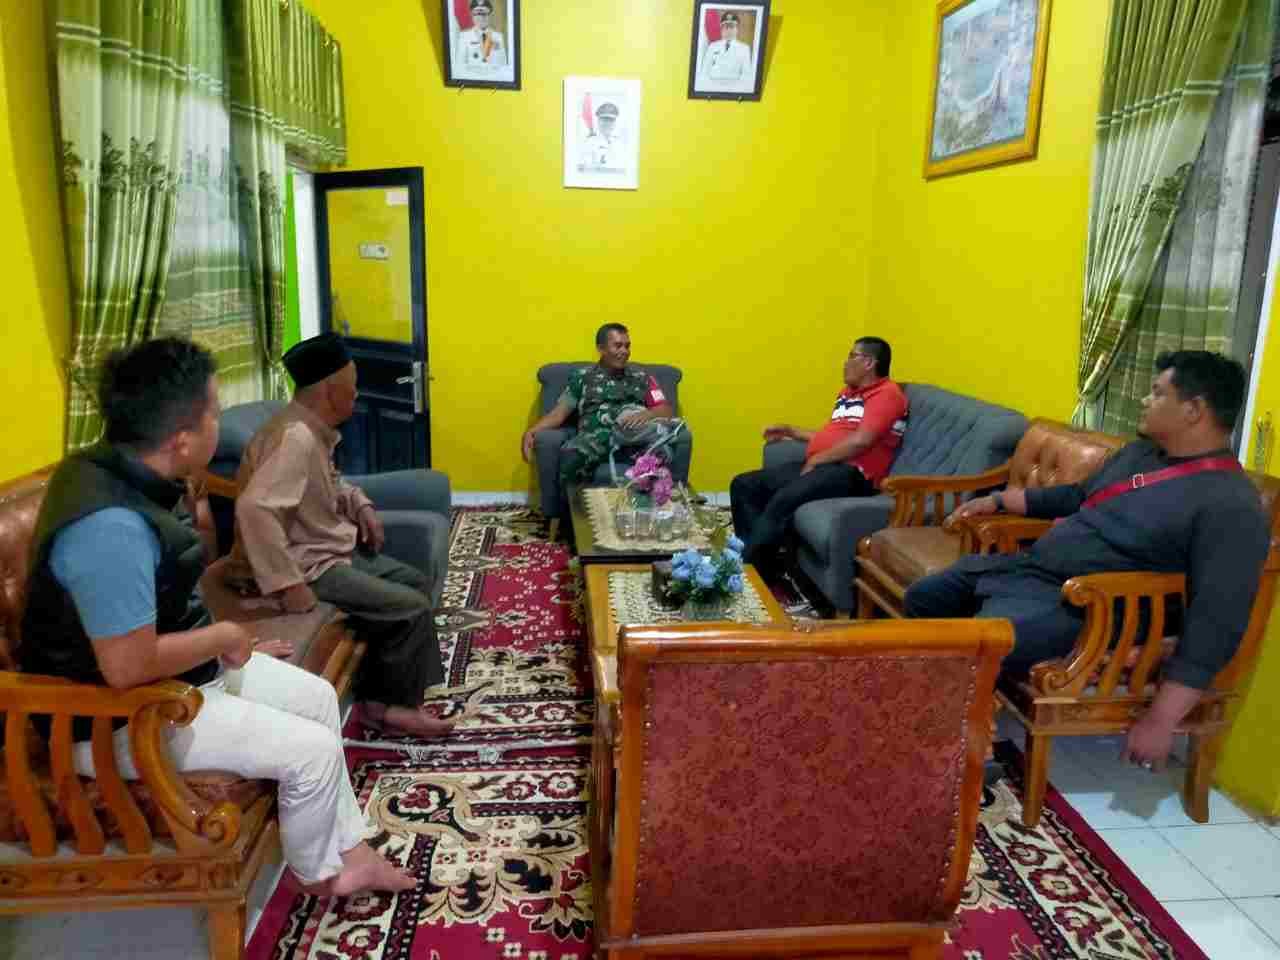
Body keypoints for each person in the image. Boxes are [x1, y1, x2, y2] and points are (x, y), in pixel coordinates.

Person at [19, 337, 415, 897]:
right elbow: (127, 665)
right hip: (114, 719)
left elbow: (161, 605)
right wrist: (224, 635)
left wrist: (219, 644)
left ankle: (348, 851)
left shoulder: (119, 471)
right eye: (214, 412)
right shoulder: (109, 527)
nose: (219, 423)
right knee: (313, 751)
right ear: (182, 440)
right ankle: (322, 874)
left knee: (317, 699)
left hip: (171, 679)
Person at [905, 351, 1269, 771]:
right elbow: (1077, 497)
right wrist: (998, 500)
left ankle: (954, 754)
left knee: (980, 642)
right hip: (1031, 572)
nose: (1145, 401)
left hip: (1087, 610)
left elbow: (1218, 621)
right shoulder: (1140, 455)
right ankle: (930, 708)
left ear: (1193, 410)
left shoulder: (1231, 504)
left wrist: (1161, 720)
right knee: (924, 597)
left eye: (1157, 393)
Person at [228, 333, 452, 740]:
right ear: (330, 392)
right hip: (308, 565)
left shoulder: (307, 427)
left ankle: (382, 694)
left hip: (325, 550)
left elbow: (328, 482)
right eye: (353, 386)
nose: (357, 394)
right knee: (411, 607)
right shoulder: (294, 437)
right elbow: (254, 508)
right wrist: (288, 584)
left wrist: (361, 504)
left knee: (414, 582)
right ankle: (391, 712)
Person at [730, 337, 908, 571]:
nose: (845, 362)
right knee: (744, 485)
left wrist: (816, 459)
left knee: (784, 499)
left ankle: (748, 572)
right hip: (827, 466)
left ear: (868, 362)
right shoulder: (848, 394)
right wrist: (791, 431)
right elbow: (835, 436)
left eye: (851, 356)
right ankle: (764, 565)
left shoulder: (887, 394)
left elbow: (861, 441)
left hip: (854, 474)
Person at [521, 323, 674, 496]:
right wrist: (532, 431)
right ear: (601, 349)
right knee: (572, 454)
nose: (624, 351)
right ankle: (574, 511)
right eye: (618, 346)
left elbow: (666, 410)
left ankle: (651, 507)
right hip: (594, 440)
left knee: (663, 452)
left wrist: (648, 414)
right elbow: (559, 413)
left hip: (632, 440)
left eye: (627, 346)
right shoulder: (583, 377)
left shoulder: (642, 377)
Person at [699, 11, 753, 92]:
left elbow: (746, 75)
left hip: (734, 89)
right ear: (721, 29)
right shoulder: (712, 47)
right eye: (726, 27)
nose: (729, 31)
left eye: (732, 27)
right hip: (712, 88)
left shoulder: (744, 49)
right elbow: (704, 72)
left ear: (737, 29)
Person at [453, 0, 508, 78]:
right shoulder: (464, 37)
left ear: (490, 15)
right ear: (472, 16)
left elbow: (503, 66)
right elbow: (460, 66)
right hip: (471, 79)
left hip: (493, 79)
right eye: (477, 14)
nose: (481, 17)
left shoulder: (498, 37)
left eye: (484, 14)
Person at [579, 101, 624, 170]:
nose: (607, 123)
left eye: (611, 120)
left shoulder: (619, 143)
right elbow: (584, 169)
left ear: (615, 122)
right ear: (598, 121)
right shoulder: (589, 143)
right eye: (604, 120)